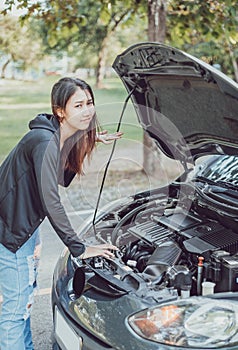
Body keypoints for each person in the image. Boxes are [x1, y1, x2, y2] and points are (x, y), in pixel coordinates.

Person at [0, 77, 121, 350]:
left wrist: (87, 138)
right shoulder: (44, 142)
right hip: (11, 232)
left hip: (25, 228)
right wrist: (79, 248)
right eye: (78, 105)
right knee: (16, 307)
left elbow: (62, 179)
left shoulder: (59, 137)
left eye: (89, 103)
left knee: (25, 300)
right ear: (60, 111)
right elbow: (51, 200)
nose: (87, 110)